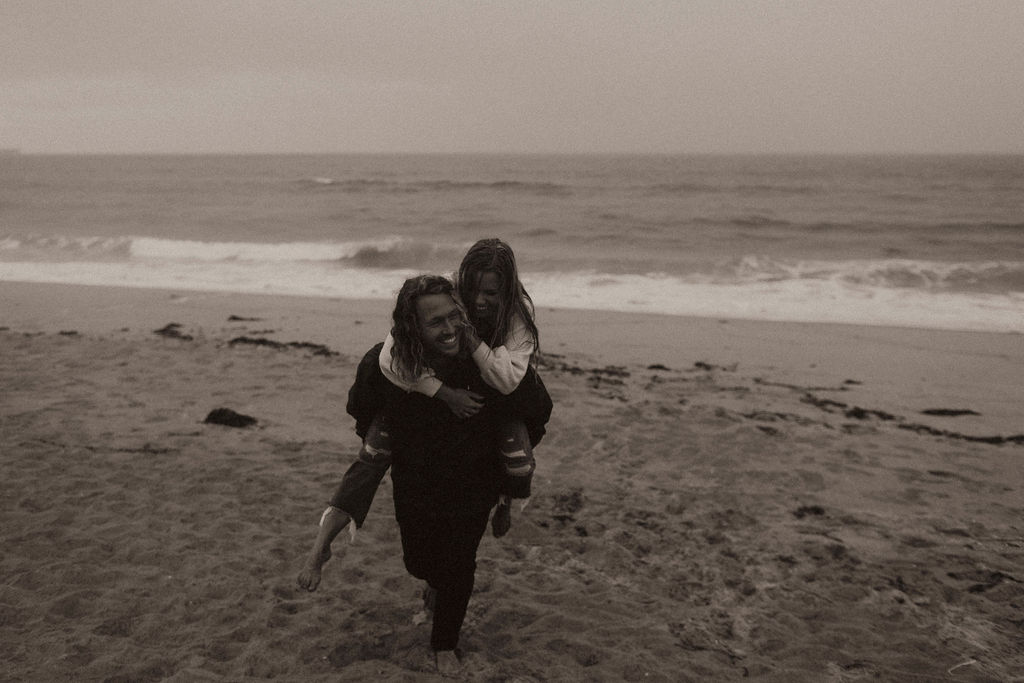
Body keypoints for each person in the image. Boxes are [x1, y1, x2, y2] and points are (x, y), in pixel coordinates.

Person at [296, 275, 551, 674]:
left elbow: (535, 405)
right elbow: (362, 403)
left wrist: (509, 465)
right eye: (436, 322)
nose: (449, 329)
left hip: (473, 479)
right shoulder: (394, 364)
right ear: (413, 326)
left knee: (460, 563)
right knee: (419, 563)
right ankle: (431, 580)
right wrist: (380, 433)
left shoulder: (485, 362)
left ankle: (445, 642)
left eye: (455, 317)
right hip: (417, 478)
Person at [378, 238, 544, 537]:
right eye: (473, 290)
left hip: (504, 388)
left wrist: (470, 339)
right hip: (454, 378)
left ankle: (507, 500)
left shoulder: (518, 314)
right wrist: (443, 392)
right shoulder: (448, 291)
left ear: (506, 290)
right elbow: (389, 357)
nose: (479, 300)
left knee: (519, 458)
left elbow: (507, 381)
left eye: (490, 293)